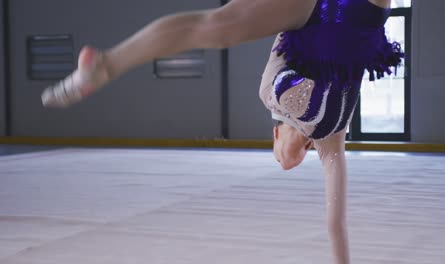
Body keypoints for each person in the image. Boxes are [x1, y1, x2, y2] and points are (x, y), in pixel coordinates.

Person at [41, 1, 403, 263]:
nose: (289, 161)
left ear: (276, 135)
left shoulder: (270, 97)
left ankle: (105, 66)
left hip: (308, 16)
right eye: (291, 157)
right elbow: (336, 223)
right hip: (355, 12)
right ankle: (106, 65)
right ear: (283, 140)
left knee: (218, 27)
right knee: (216, 25)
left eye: (281, 160)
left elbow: (281, 45)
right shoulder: (330, 137)